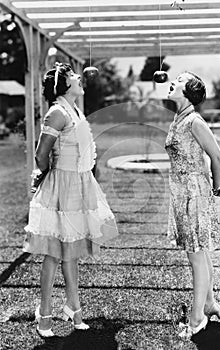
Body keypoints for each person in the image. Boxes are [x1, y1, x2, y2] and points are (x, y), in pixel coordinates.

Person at [23, 62, 118, 337]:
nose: (79, 76)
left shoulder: (75, 110)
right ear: (64, 84)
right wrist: (45, 177)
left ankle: (74, 309)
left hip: (79, 184)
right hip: (62, 185)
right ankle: (44, 315)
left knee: (72, 253)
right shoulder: (57, 112)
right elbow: (41, 155)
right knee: (54, 253)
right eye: (73, 75)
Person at [165, 72, 220, 338]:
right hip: (182, 192)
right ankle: (209, 303)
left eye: (181, 79)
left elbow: (216, 156)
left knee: (196, 255)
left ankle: (197, 319)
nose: (174, 80)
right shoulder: (180, 118)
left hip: (194, 193)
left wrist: (217, 188)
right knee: (200, 252)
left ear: (190, 90)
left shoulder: (194, 120)